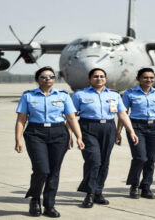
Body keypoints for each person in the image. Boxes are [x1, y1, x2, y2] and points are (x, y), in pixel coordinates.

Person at [15, 66, 85, 217]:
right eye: (44, 76)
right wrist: (18, 139)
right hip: (35, 133)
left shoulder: (63, 95)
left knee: (54, 171)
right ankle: (34, 199)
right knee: (42, 170)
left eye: (51, 76)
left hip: (59, 133)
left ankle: (49, 205)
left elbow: (71, 118)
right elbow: (21, 119)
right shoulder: (28, 96)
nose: (48, 79)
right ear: (37, 80)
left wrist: (79, 137)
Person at [72, 68, 139, 208]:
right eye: (95, 76)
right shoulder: (80, 95)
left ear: (106, 79)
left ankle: (98, 192)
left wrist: (131, 131)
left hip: (108, 128)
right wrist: (73, 136)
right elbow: (71, 116)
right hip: (88, 127)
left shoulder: (114, 95)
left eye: (102, 76)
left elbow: (122, 114)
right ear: (90, 79)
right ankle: (89, 194)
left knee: (104, 162)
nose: (99, 78)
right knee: (93, 161)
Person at [115, 68, 155, 199]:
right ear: (138, 79)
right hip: (136, 127)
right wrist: (118, 132)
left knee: (151, 160)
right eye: (145, 78)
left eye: (151, 78)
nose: (149, 80)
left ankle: (146, 187)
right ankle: (134, 185)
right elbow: (123, 114)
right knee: (140, 158)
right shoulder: (129, 93)